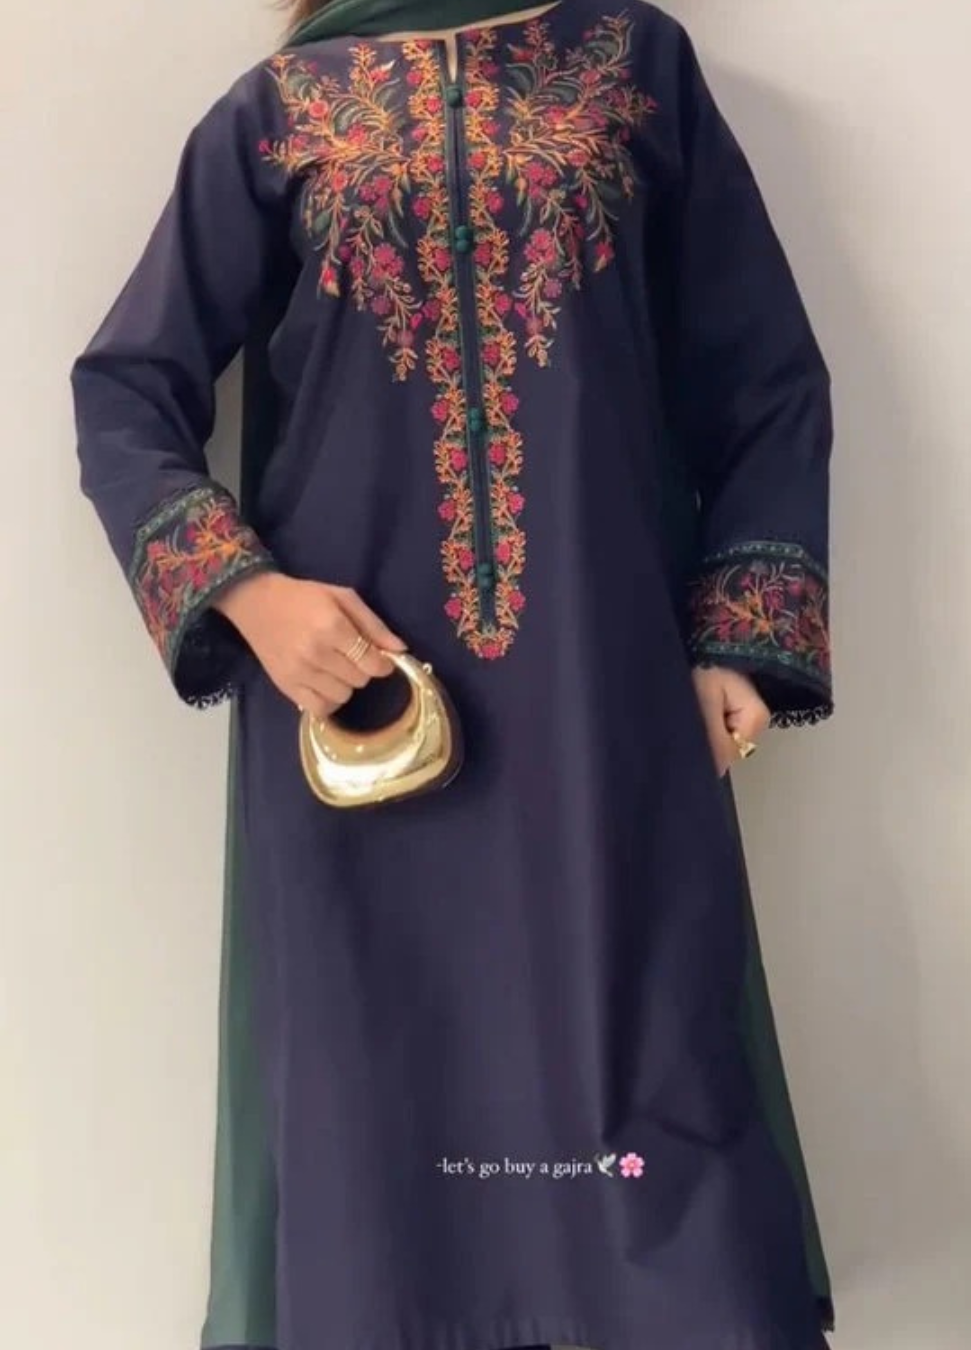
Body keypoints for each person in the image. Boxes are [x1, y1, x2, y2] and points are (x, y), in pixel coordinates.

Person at [71, 1, 837, 1348]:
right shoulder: (281, 111)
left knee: (659, 1134)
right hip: (362, 722)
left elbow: (763, 374)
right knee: (384, 1135)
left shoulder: (628, 61)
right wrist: (248, 595)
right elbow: (127, 388)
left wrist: (741, 637)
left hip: (606, 704)